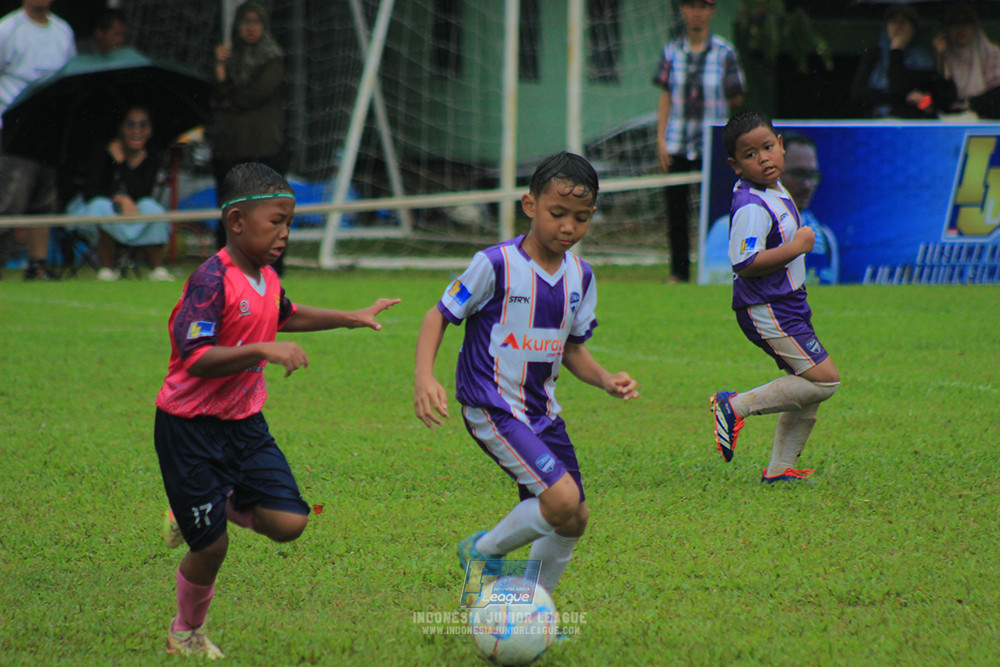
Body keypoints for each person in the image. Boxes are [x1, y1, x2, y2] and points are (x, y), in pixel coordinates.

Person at [154, 162, 399, 658]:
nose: (285, 232)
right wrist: (265, 350)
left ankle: (200, 505)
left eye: (289, 221)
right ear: (237, 221)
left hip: (245, 424)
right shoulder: (210, 280)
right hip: (189, 428)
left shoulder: (265, 276)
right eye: (276, 221)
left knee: (290, 523)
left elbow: (285, 315)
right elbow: (197, 359)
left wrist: (350, 318)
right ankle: (185, 631)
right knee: (211, 548)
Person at [414, 152, 638, 597]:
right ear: (530, 204)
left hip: (543, 413)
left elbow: (572, 349)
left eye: (582, 218)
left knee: (574, 517)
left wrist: (606, 378)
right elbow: (437, 316)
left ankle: (529, 603)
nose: (569, 227)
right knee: (561, 499)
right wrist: (425, 376)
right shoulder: (494, 264)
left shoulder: (581, 275)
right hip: (493, 406)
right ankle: (484, 550)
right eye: (558, 213)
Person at [710, 111, 840, 484]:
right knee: (825, 381)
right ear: (735, 165)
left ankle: (780, 470)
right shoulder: (752, 205)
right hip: (766, 307)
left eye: (768, 147)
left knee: (809, 388)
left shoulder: (775, 187)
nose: (764, 158)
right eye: (751, 155)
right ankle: (734, 405)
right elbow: (745, 262)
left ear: (781, 145)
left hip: (787, 303)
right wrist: (799, 245)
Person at [653, 0, 745, 283]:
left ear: (711, 12)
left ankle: (717, 268)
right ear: (682, 10)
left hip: (713, 144)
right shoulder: (671, 51)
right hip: (678, 142)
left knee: (717, 208)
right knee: (677, 212)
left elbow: (736, 95)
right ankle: (679, 273)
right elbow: (666, 95)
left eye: (703, 7)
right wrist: (661, 139)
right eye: (691, 6)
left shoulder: (725, 51)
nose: (697, 12)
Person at [211, 0, 288, 274]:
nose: (251, 28)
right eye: (245, 22)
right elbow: (218, 97)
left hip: (264, 149)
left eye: (256, 22)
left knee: (268, 215)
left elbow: (249, 96)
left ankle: (271, 271)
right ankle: (228, 270)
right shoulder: (229, 58)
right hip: (229, 150)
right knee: (231, 215)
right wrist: (220, 68)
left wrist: (228, 93)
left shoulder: (272, 59)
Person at [0, 0, 75, 280]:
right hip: (12, 128)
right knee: (9, 200)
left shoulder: (62, 31)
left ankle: (37, 264)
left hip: (49, 129)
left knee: (44, 200)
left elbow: (70, 77)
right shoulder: (8, 29)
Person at [704, 132, 839, 285]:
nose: (807, 184)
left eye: (812, 175)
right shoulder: (728, 229)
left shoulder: (824, 239)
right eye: (798, 174)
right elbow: (717, 288)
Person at [68, 105, 174, 282]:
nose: (136, 130)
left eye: (143, 125)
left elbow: (142, 193)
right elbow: (91, 191)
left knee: (150, 206)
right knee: (101, 206)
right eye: (131, 124)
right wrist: (117, 200)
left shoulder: (151, 155)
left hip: (132, 211)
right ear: (121, 128)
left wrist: (122, 163)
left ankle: (157, 269)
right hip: (97, 208)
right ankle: (107, 269)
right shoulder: (102, 149)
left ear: (150, 130)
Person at [849, 5, 948, 119]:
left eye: (905, 21)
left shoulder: (924, 59)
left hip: (914, 123)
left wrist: (897, 50)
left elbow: (904, 87)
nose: (899, 26)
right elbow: (858, 94)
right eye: (893, 21)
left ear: (914, 27)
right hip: (879, 122)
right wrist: (901, 98)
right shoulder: (874, 54)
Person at [934, 3, 1000, 119]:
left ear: (974, 25)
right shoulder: (941, 55)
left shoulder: (991, 54)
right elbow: (943, 100)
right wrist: (942, 59)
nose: (961, 28)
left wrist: (972, 104)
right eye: (954, 23)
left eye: (966, 21)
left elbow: (996, 97)